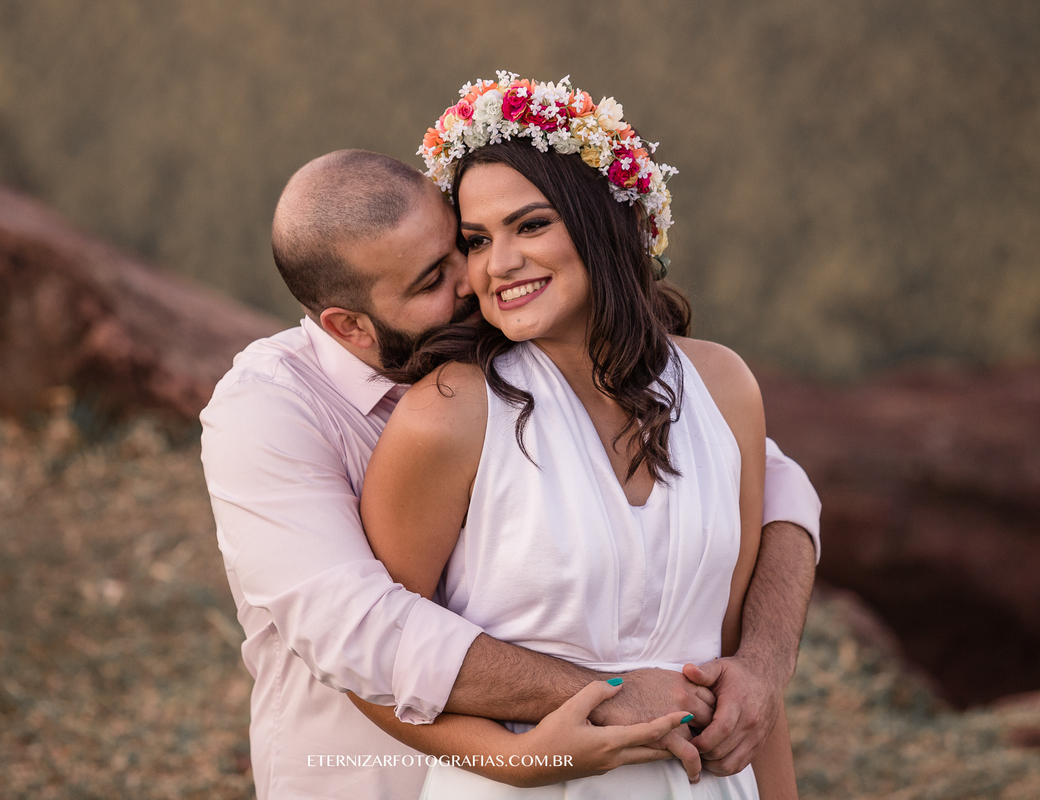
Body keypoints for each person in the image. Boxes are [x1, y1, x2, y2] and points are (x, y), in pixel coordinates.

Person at [199, 146, 821, 796]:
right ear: (350, 326)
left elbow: (775, 492)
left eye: (461, 246)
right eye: (434, 279)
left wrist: (764, 663)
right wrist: (565, 726)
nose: (481, 278)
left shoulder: (605, 370)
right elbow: (358, 630)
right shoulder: (269, 410)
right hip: (369, 779)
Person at [349, 73, 799, 798]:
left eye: (530, 225)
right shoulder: (448, 413)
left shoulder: (723, 386)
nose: (498, 264)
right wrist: (524, 762)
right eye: (476, 240)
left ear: (604, 223)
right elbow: (373, 663)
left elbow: (742, 670)